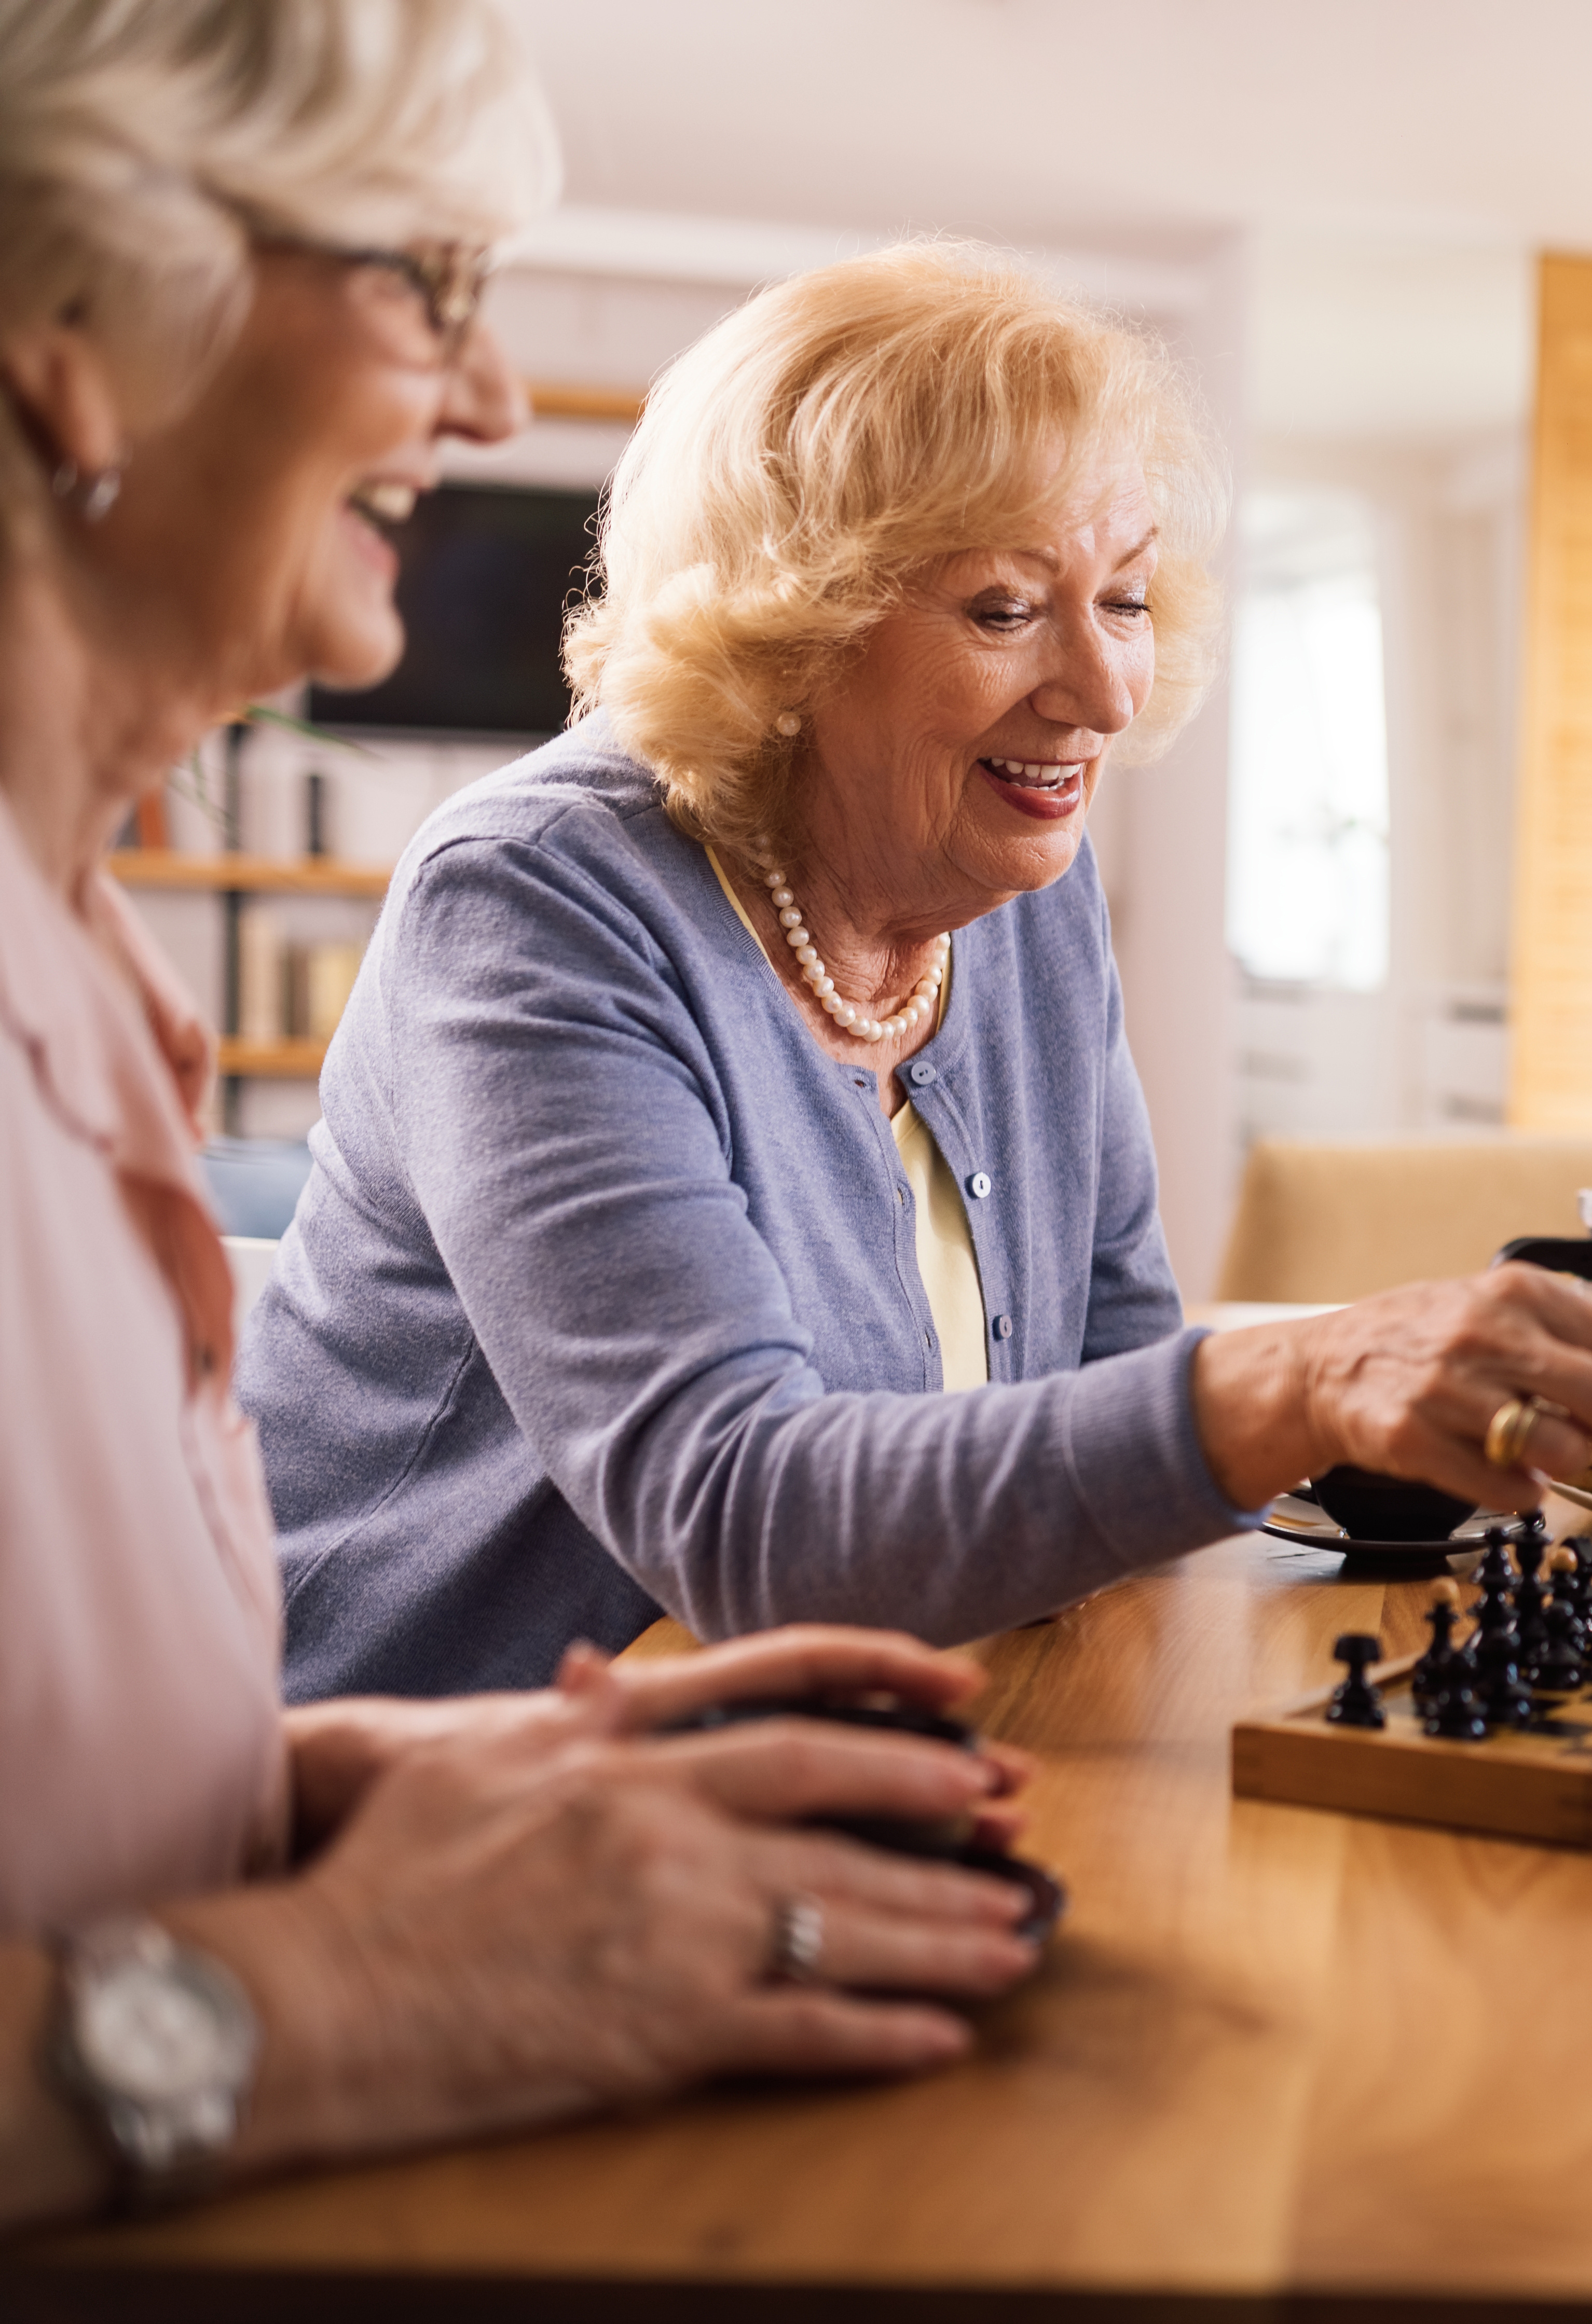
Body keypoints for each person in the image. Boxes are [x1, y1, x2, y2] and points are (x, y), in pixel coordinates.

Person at [0, 0, 1063, 2231]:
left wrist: (362, 1780)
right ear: (73, 335)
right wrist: (350, 1988)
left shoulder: (83, 971)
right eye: (423, 282)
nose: (493, 399)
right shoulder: (529, 890)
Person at [249, 239, 1592, 1699]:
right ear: (792, 633)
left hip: (863, 1727)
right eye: (1006, 609)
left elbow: (1110, 1373)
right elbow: (739, 1514)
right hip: (417, 1777)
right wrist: (1299, 1380)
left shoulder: (1025, 893)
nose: (1104, 693)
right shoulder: (537, 900)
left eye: (1126, 598)